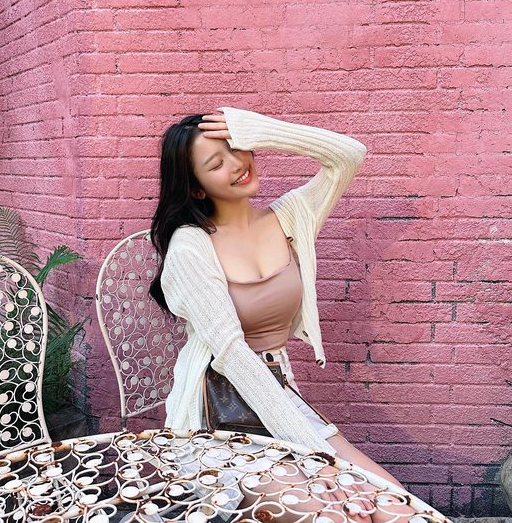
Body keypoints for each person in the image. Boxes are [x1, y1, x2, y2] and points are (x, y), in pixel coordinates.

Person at [150, 106, 416, 519]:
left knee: (398, 509)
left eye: (236, 148)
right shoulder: (190, 247)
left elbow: (349, 154)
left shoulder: (291, 215)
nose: (237, 164)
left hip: (280, 397)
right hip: (218, 418)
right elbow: (234, 357)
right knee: (336, 514)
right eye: (216, 164)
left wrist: (257, 129)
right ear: (197, 189)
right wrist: (317, 458)